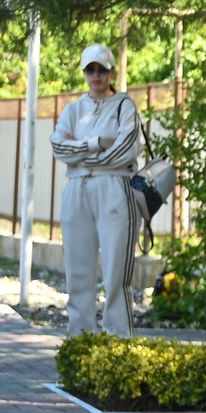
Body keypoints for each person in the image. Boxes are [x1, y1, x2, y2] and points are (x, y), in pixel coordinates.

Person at [53, 42, 143, 339]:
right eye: (90, 69)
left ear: (111, 71)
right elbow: (57, 146)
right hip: (77, 188)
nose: (96, 75)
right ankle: (80, 340)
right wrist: (94, 143)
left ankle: (119, 341)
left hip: (115, 187)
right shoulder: (73, 108)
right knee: (77, 269)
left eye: (102, 69)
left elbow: (125, 152)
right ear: (84, 72)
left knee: (117, 269)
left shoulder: (124, 105)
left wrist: (79, 152)